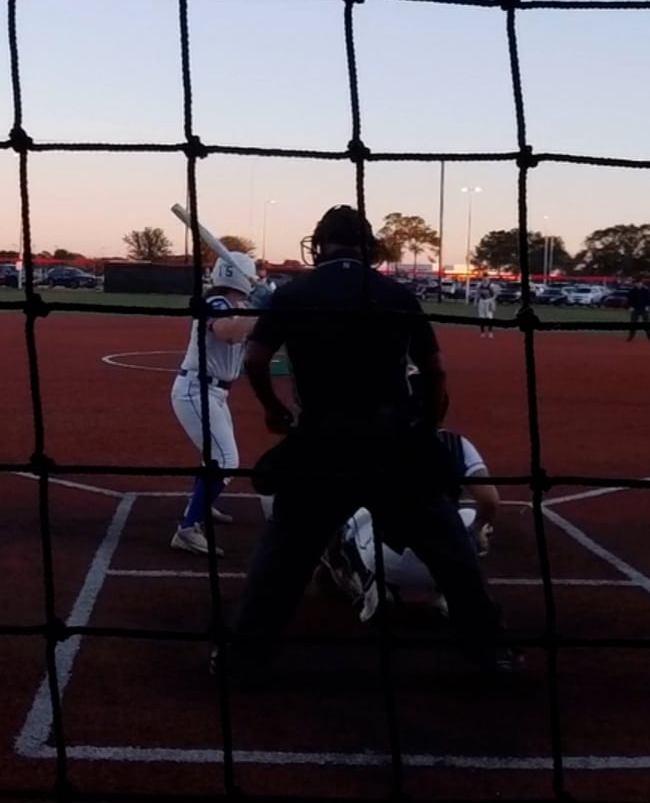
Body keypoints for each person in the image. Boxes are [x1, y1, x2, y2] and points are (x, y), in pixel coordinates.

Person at [221, 204, 517, 682]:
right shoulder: (396, 293)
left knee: (282, 558)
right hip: (392, 444)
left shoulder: (294, 294)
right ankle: (493, 651)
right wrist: (423, 430)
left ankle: (244, 659)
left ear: (319, 245)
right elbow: (436, 371)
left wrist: (274, 410)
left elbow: (255, 359)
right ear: (369, 247)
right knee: (452, 553)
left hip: (321, 443)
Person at [319, 415, 500, 623]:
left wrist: (331, 554)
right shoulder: (456, 443)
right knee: (470, 519)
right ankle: (452, 595)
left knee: (350, 515)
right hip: (446, 556)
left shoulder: (371, 440)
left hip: (385, 559)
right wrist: (476, 533)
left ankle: (370, 586)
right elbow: (490, 500)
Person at [168, 251, 259, 557]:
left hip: (216, 393)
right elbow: (229, 332)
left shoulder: (239, 306)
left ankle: (200, 507)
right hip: (196, 391)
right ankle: (187, 529)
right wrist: (259, 309)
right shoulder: (216, 303)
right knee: (225, 460)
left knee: (217, 459)